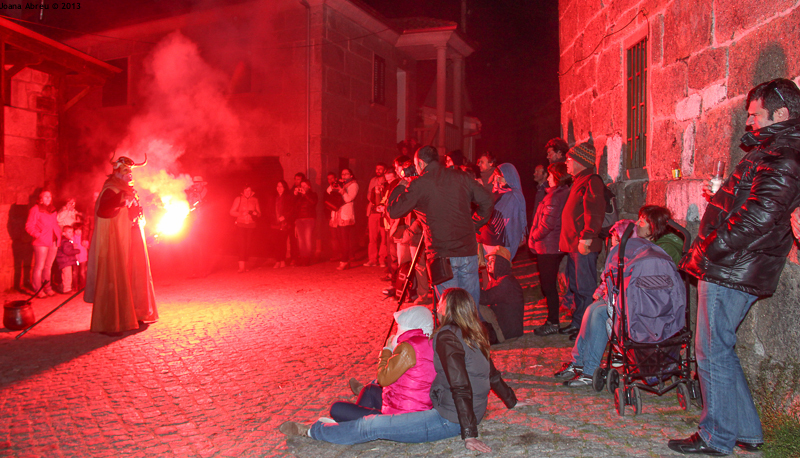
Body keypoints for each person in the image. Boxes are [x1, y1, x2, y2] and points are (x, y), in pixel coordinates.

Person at [668, 78, 800, 456]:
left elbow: (757, 216)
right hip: (735, 263)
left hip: (732, 265)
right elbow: (751, 204)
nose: (749, 122)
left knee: (711, 351)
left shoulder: (784, 155)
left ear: (782, 114)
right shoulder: (776, 150)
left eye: (755, 115)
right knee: (720, 347)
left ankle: (717, 437)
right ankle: (746, 430)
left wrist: (708, 250)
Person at [279, 288, 517, 453]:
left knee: (372, 426)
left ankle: (312, 431)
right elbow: (492, 374)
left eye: (440, 303)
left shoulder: (447, 336)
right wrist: (512, 401)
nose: (437, 308)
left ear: (449, 309)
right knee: (377, 399)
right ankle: (352, 406)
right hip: (466, 413)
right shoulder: (474, 333)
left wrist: (469, 433)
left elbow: (460, 384)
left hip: (449, 420)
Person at [387, 146, 493, 308]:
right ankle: (473, 332)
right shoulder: (460, 176)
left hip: (441, 255)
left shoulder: (419, 184)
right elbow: (487, 200)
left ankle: (453, 332)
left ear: (420, 164)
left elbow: (394, 211)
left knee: (449, 308)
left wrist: (402, 182)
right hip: (467, 250)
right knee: (470, 304)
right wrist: (475, 223)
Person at [85, 155, 158, 335]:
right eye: (126, 172)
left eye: (131, 172)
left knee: (135, 274)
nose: (130, 176)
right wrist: (121, 200)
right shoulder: (111, 189)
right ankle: (111, 322)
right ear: (117, 173)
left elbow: (133, 213)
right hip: (116, 240)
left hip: (132, 237)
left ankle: (135, 313)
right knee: (115, 277)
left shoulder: (130, 190)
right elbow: (103, 209)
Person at [330, 306, 435, 422]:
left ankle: (354, 423)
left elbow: (383, 379)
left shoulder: (408, 347)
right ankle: (355, 422)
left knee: (336, 408)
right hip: (414, 409)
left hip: (400, 415)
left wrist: (387, 350)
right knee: (369, 389)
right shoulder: (430, 343)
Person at [559, 141, 605, 338]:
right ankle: (578, 322)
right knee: (576, 286)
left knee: (586, 287)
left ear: (580, 161)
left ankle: (587, 328)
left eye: (569, 160)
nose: (566, 164)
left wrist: (587, 237)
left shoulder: (591, 180)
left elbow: (593, 211)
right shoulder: (578, 180)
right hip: (573, 245)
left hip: (582, 245)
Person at [529, 162, 572, 336]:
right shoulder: (556, 194)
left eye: (550, 175)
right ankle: (552, 319)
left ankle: (553, 321)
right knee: (548, 285)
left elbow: (547, 224)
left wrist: (534, 236)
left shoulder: (555, 197)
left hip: (548, 247)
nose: (548, 178)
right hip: (550, 246)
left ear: (558, 177)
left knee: (548, 285)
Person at [478, 163, 527, 260]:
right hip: (490, 240)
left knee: (497, 272)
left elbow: (500, 220)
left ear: (506, 177)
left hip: (499, 243)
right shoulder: (500, 194)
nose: (494, 182)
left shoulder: (511, 196)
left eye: (497, 177)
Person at [479, 246, 524, 344]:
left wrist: (470, 282)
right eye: (488, 261)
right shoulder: (501, 280)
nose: (488, 264)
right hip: (509, 331)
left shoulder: (506, 282)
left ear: (500, 263)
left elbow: (485, 298)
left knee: (477, 304)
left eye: (492, 261)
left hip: (507, 334)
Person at [26, 190, 60, 298]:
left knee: (48, 266)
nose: (48, 198)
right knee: (39, 266)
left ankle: (47, 288)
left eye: (49, 196)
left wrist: (59, 233)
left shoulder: (53, 210)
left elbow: (55, 223)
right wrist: (38, 235)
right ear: (40, 199)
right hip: (41, 242)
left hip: (53, 240)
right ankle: (38, 289)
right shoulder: (35, 210)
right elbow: (29, 225)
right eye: (45, 197)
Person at [328, 168, 359, 270]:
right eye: (342, 174)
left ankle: (344, 260)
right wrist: (335, 183)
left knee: (345, 239)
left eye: (346, 174)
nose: (344, 176)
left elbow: (349, 198)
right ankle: (345, 259)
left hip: (345, 214)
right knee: (339, 239)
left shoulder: (354, 185)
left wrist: (342, 192)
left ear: (351, 175)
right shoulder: (340, 183)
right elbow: (328, 191)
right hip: (337, 214)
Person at [230, 185, 261, 273]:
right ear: (243, 191)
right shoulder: (238, 199)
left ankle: (246, 265)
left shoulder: (255, 200)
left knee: (248, 245)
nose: (248, 192)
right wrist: (241, 214)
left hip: (251, 225)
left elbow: (259, 213)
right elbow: (231, 212)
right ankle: (241, 267)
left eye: (249, 190)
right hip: (240, 225)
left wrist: (255, 213)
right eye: (246, 190)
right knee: (241, 245)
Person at [365, 163, 388, 267]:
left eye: (380, 169)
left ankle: (382, 259)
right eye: (377, 168)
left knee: (384, 237)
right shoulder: (372, 180)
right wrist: (374, 197)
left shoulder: (387, 181)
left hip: (383, 212)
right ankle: (372, 259)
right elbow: (369, 194)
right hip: (373, 211)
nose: (378, 170)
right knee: (372, 237)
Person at [293, 179, 317, 266]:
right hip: (299, 219)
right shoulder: (299, 196)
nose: (302, 187)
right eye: (301, 186)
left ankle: (307, 258)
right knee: (300, 240)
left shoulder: (313, 194)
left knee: (307, 239)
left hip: (309, 219)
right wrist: (295, 195)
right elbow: (294, 206)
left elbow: (313, 202)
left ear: (309, 186)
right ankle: (303, 257)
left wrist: (305, 194)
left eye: (305, 186)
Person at [272, 180, 294, 268]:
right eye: (278, 186)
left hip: (284, 223)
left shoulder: (288, 197)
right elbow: (269, 210)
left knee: (283, 242)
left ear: (284, 188)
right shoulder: (273, 197)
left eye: (281, 186)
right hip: (275, 223)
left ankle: (282, 260)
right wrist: (273, 218)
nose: (279, 188)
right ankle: (277, 260)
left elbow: (291, 209)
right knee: (276, 242)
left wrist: (285, 216)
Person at [55, 225, 80, 294]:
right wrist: (77, 250)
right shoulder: (65, 241)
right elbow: (67, 251)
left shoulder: (66, 241)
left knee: (66, 275)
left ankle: (65, 287)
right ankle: (67, 289)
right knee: (67, 275)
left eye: (72, 232)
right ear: (64, 233)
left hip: (66, 261)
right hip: (65, 261)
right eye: (69, 232)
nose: (71, 233)